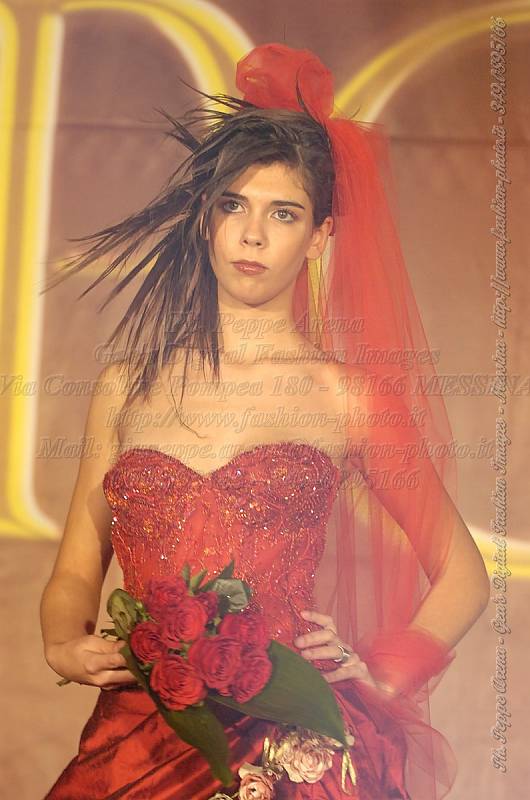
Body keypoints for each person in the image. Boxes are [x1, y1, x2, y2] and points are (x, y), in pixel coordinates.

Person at [40, 43, 490, 799]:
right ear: (204, 221)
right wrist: (63, 644)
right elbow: (77, 573)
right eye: (233, 206)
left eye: (283, 214)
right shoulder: (127, 387)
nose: (252, 235)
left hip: (287, 751)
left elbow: (463, 572)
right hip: (136, 739)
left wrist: (383, 672)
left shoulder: (344, 398)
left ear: (319, 237)